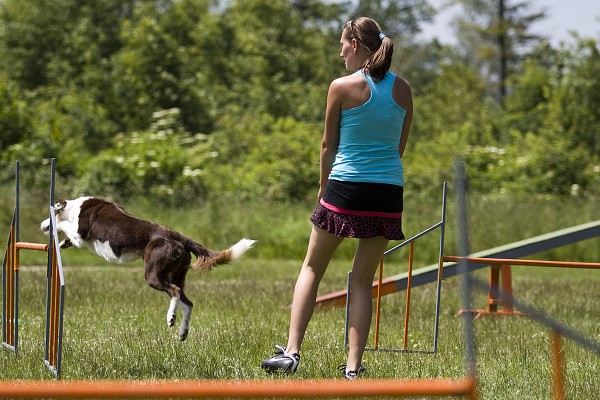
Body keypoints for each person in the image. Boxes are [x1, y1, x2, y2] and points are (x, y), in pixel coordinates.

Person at [261, 16, 413, 379]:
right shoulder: (404, 89)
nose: (340, 50)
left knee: (312, 267)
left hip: (346, 187)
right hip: (388, 190)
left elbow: (328, 145)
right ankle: (353, 369)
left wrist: (322, 184)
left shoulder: (341, 87)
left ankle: (293, 352)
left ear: (356, 45)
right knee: (362, 280)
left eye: (342, 43)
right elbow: (400, 146)